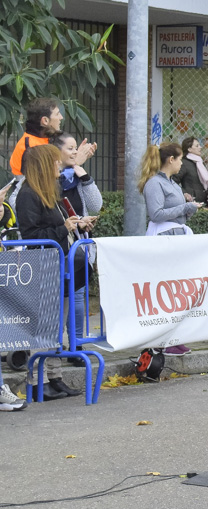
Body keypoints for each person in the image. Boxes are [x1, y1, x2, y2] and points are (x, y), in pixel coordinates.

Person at [14, 144, 88, 400]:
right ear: (44, 166)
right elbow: (32, 235)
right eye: (55, 162)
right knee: (43, 326)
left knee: (58, 326)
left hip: (59, 267)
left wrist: (74, 224)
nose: (59, 165)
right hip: (44, 267)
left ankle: (55, 377)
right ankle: (38, 380)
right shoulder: (28, 194)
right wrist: (64, 228)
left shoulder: (50, 192)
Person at [140, 142, 204, 356]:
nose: (181, 163)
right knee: (165, 288)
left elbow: (177, 213)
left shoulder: (172, 183)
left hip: (176, 236)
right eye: (179, 159)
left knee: (176, 288)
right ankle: (162, 340)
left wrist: (189, 209)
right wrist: (185, 207)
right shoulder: (154, 184)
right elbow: (156, 213)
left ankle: (174, 336)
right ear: (171, 160)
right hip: (163, 237)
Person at [51, 131, 101, 355]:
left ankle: (76, 344)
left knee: (78, 295)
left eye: (75, 148)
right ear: (56, 152)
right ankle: (53, 348)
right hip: (56, 247)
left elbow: (96, 204)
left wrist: (82, 172)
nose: (74, 152)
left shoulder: (75, 175)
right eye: (69, 148)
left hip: (77, 246)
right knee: (58, 299)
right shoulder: (49, 177)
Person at [8, 98, 63, 179]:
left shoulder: (45, 139)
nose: (61, 117)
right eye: (57, 114)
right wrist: (75, 162)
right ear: (45, 120)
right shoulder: (31, 146)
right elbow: (43, 181)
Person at [173, 137, 208, 207]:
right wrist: (184, 193)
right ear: (189, 149)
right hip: (191, 203)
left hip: (204, 202)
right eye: (197, 146)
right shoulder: (183, 163)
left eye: (199, 145)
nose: (200, 147)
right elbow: (173, 181)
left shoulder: (200, 162)